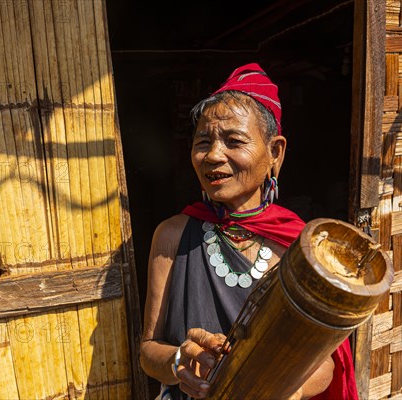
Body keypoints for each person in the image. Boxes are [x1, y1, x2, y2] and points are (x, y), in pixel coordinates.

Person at [140, 63, 358, 399]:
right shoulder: (172, 236)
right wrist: (180, 359)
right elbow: (149, 349)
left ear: (275, 152)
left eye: (233, 141)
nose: (213, 155)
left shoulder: (300, 247)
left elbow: (325, 364)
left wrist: (282, 391)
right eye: (203, 142)